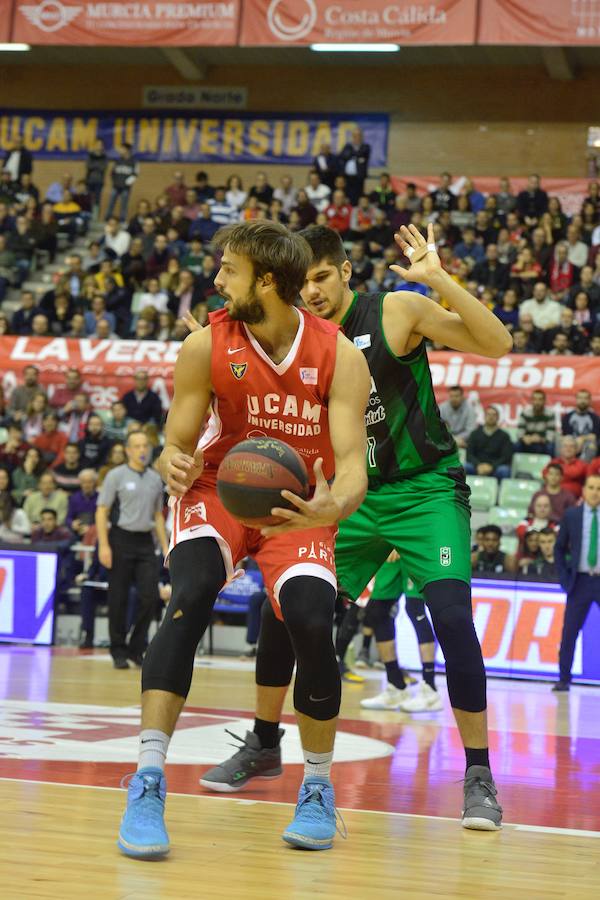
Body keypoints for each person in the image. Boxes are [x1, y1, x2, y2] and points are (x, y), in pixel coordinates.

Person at [202, 223, 511, 831]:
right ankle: (265, 741)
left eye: (322, 277)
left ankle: (479, 775)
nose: (311, 292)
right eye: (303, 281)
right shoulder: (287, 336)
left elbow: (497, 343)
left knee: (452, 619)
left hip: (423, 491)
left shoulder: (394, 311)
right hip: (344, 499)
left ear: (345, 272)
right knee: (286, 609)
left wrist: (438, 279)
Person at [116, 220, 370, 859]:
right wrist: (175, 459)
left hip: (298, 506)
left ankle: (315, 786)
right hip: (218, 491)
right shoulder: (205, 345)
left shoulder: (341, 354)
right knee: (193, 591)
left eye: (228, 269)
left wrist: (327, 508)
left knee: (313, 619)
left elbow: (352, 468)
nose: (215, 279)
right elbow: (180, 439)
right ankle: (148, 780)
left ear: (265, 280)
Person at [96, 430, 167, 670]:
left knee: (150, 597)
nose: (142, 450)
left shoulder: (156, 479)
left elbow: (158, 515)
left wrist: (166, 547)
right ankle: (117, 649)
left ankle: (137, 648)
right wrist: (104, 545)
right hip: (120, 539)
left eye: (145, 445)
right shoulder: (115, 476)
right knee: (118, 598)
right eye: (137, 446)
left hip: (145, 542)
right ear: (128, 450)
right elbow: (102, 511)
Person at [358, 553, 442, 713]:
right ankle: (396, 685)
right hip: (390, 545)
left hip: (412, 545)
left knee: (415, 609)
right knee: (376, 611)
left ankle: (430, 690)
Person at [553, 474, 600, 691]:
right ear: (584, 490)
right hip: (579, 581)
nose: (595, 492)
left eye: (599, 488)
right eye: (591, 487)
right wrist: (564, 577)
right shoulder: (572, 515)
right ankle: (564, 679)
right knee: (570, 631)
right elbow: (559, 548)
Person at [465, 405, 514, 480]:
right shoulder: (474, 434)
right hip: (477, 466)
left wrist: (491, 467)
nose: (491, 417)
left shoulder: (504, 436)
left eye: (494, 415)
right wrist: (478, 465)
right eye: (488, 414)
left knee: (504, 470)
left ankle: (499, 491)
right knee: (465, 467)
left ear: (498, 418)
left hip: (496, 468)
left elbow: (506, 457)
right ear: (484, 417)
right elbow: (469, 454)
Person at [561, 389, 600, 462]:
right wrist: (574, 442)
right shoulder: (567, 417)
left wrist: (582, 439)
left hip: (587, 444)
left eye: (585, 398)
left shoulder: (595, 418)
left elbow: (594, 436)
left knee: (591, 444)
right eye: (580, 398)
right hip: (570, 442)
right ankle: (564, 465)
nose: (583, 401)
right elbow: (565, 435)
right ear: (576, 399)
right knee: (564, 443)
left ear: (589, 400)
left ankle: (584, 467)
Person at [105, 144, 139, 223]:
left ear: (127, 150)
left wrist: (126, 183)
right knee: (111, 202)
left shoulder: (134, 161)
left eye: (122, 149)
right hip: (116, 186)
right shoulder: (118, 161)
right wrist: (115, 181)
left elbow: (135, 174)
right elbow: (112, 172)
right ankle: (107, 217)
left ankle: (122, 219)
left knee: (124, 204)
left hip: (126, 187)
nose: (120, 150)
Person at [516, 389, 556, 455]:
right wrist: (525, 438)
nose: (537, 402)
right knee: (517, 445)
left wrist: (540, 439)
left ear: (544, 401)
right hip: (528, 442)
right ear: (531, 401)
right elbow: (519, 433)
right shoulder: (525, 413)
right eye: (534, 399)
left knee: (550, 447)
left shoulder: (550, 414)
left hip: (542, 443)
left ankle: (550, 465)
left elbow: (550, 436)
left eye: (540, 399)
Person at [439, 385, 477, 449]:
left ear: (462, 397)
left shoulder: (469, 408)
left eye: (456, 396)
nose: (454, 399)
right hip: (446, 439)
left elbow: (471, 430)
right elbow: (438, 427)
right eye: (451, 396)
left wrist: (457, 439)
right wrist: (453, 439)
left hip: (464, 440)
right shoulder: (442, 407)